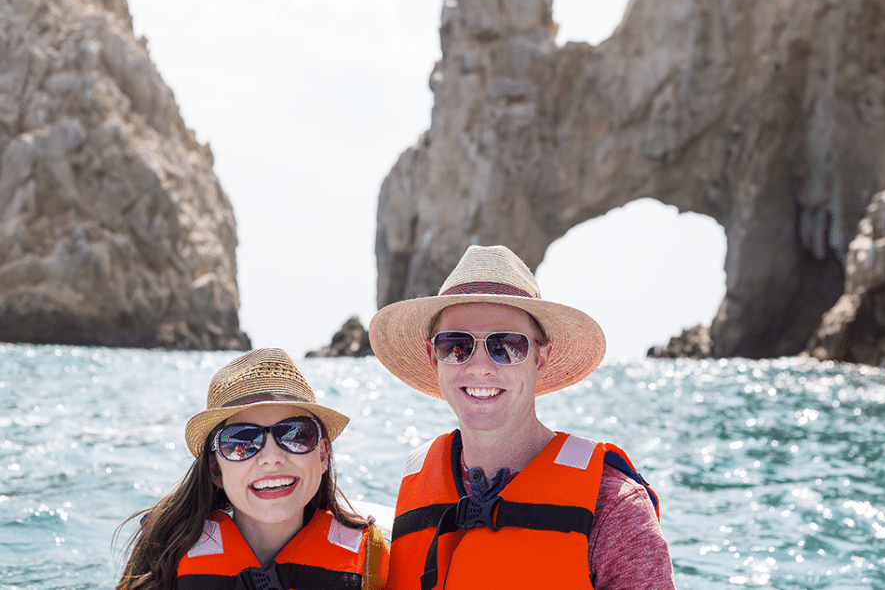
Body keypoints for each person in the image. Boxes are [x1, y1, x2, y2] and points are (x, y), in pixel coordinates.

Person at [369, 245, 674, 589]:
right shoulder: (413, 484)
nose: (480, 366)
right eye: (456, 345)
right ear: (433, 358)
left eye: (506, 346)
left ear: (541, 359)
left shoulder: (615, 504)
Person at [116, 348, 389, 590]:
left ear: (322, 455)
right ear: (215, 469)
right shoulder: (165, 551)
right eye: (242, 441)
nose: (271, 458)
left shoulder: (369, 559)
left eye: (295, 435)